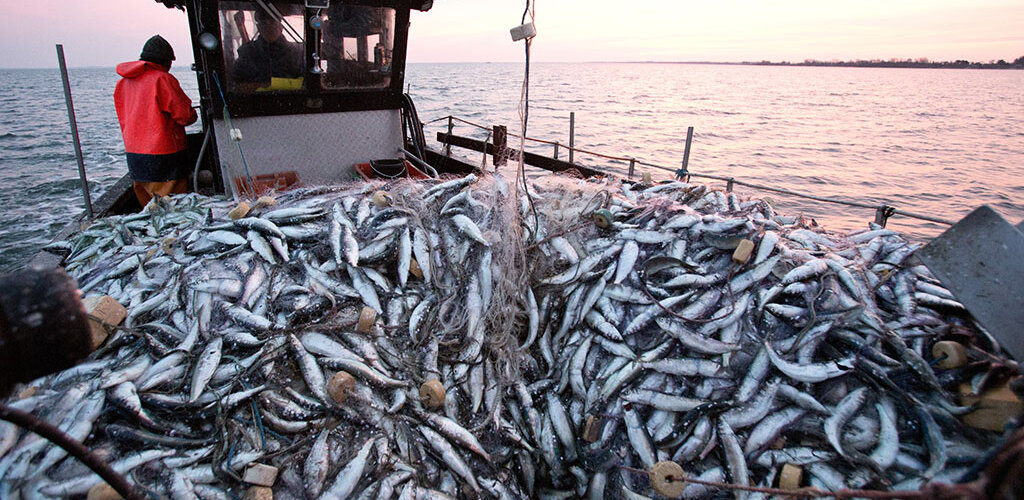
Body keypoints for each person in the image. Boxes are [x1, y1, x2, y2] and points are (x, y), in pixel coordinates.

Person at [113, 35, 198, 207]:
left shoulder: (123, 83)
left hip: (135, 158)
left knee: (150, 211)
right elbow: (185, 116)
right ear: (166, 61)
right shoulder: (162, 79)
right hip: (164, 157)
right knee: (174, 209)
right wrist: (193, 113)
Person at [232, 8, 304, 90]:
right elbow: (237, 84)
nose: (269, 27)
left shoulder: (297, 54)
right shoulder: (246, 53)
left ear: (281, 27)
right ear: (258, 28)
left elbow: (305, 84)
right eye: (264, 23)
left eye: (272, 22)